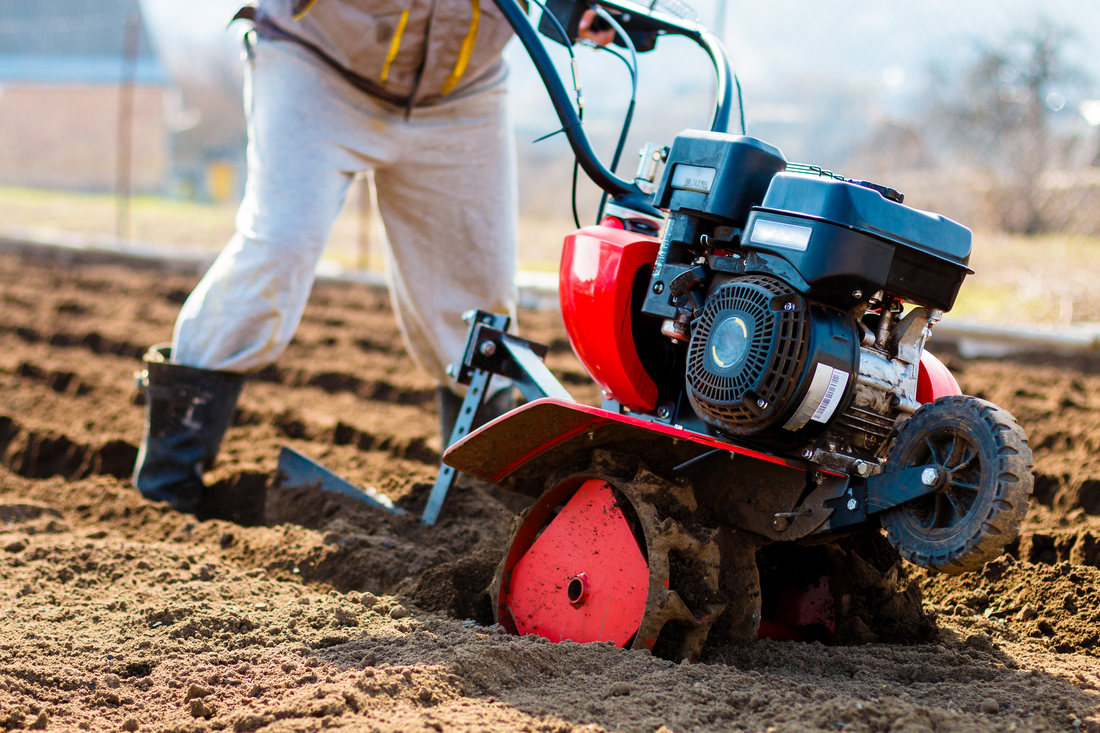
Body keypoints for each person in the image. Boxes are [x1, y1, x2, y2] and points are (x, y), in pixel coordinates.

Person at [132, 0, 612, 515]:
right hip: (317, 64)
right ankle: (170, 480)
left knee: (479, 298)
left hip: (460, 92)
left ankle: (481, 504)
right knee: (278, 247)